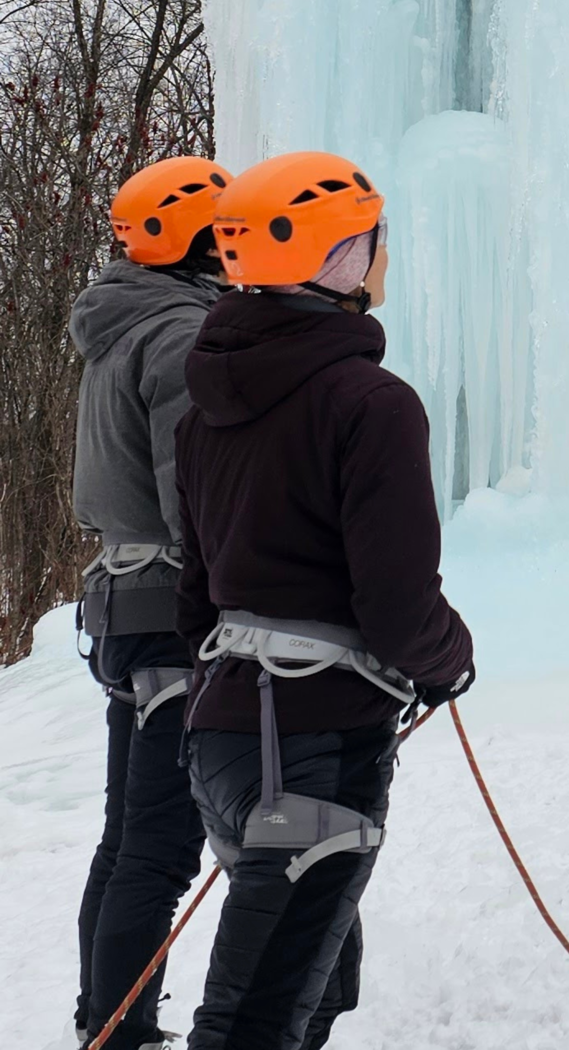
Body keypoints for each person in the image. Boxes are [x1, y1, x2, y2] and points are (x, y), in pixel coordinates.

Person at [175, 151, 473, 1050]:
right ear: (339, 257)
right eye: (374, 240)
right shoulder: (371, 404)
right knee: (258, 1021)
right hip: (315, 743)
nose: (383, 255)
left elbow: (198, 599)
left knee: (306, 995)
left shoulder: (204, 414)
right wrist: (448, 658)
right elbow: (396, 599)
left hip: (224, 740)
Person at [72, 156, 233, 1050]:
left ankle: (105, 1020)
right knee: (160, 849)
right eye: (226, 229)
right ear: (193, 236)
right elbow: (193, 494)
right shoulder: (178, 335)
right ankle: (120, 1032)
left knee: (125, 839)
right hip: (169, 614)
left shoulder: (122, 320)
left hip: (123, 608)